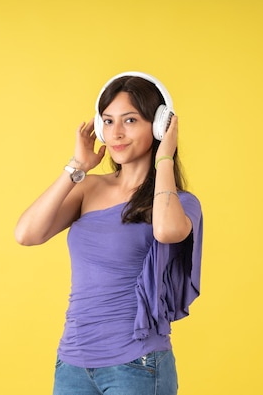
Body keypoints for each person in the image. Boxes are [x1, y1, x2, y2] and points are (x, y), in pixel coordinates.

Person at [14, 72, 203, 395]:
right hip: (73, 363)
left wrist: (165, 159)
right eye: (108, 121)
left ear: (158, 125)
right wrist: (77, 165)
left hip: (136, 363)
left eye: (130, 120)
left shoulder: (180, 203)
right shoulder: (87, 188)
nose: (115, 133)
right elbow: (27, 234)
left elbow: (167, 231)